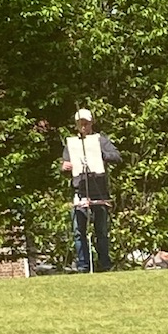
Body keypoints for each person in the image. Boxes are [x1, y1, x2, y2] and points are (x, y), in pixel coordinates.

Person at [62, 108, 121, 272]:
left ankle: (105, 264)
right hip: (79, 190)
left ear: (91, 123)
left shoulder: (101, 140)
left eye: (86, 123)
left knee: (101, 231)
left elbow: (117, 156)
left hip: (99, 191)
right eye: (80, 124)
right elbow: (65, 164)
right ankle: (83, 266)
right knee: (78, 231)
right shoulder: (71, 144)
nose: (83, 127)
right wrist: (65, 167)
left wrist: (102, 155)